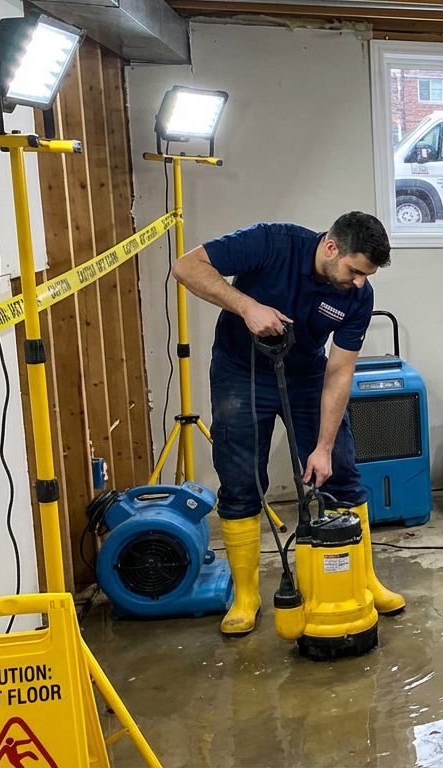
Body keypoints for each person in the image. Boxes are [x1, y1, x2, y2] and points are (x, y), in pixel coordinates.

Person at [172, 211, 405, 636]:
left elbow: (340, 373)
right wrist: (247, 306)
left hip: (307, 374)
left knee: (341, 470)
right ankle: (246, 596)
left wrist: (323, 447)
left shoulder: (357, 297)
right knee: (240, 479)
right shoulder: (270, 242)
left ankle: (363, 579)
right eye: (354, 271)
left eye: (366, 276)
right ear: (331, 247)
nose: (359, 283)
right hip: (240, 371)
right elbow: (186, 266)